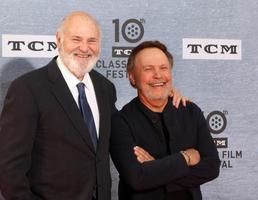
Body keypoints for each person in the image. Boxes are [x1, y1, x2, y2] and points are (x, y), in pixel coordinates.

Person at [0, 12, 186, 200]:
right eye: (76, 39)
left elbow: (122, 131)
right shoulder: (28, 89)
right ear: (59, 40)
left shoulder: (104, 88)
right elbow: (9, 170)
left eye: (92, 41)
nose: (84, 48)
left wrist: (161, 95)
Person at [110, 41, 221, 200]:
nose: (158, 75)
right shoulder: (120, 121)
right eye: (148, 69)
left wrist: (156, 169)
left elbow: (211, 167)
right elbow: (137, 178)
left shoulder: (191, 111)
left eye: (163, 68)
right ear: (132, 77)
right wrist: (185, 158)